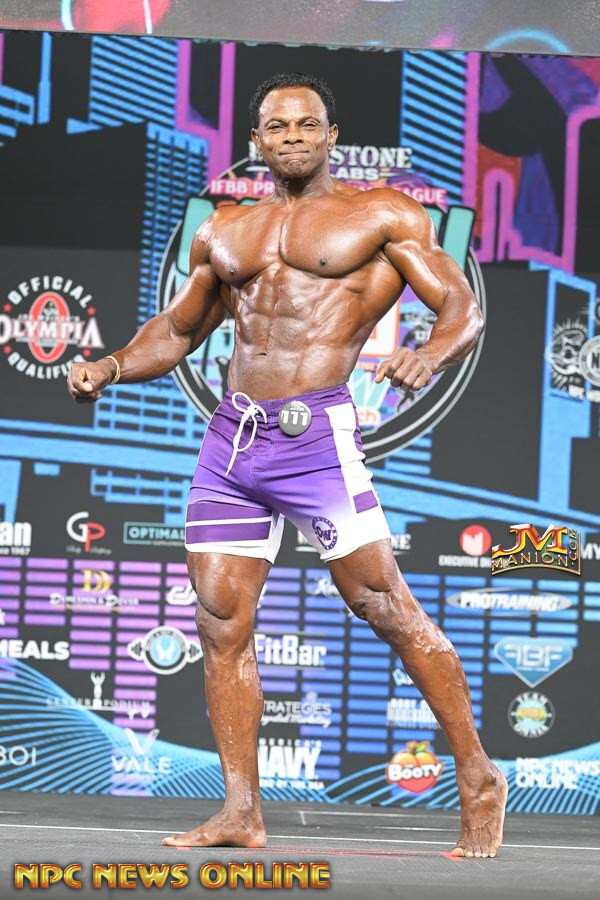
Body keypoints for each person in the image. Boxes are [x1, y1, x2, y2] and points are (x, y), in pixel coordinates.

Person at [67, 72, 507, 858]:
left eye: (308, 124)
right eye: (279, 126)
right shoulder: (225, 229)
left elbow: (461, 306)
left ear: (331, 135)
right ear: (258, 141)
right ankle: (241, 811)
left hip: (315, 440)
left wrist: (431, 354)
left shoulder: (383, 214)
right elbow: (179, 330)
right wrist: (111, 365)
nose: (294, 137)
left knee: (382, 605)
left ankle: (477, 775)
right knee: (220, 619)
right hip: (232, 440)